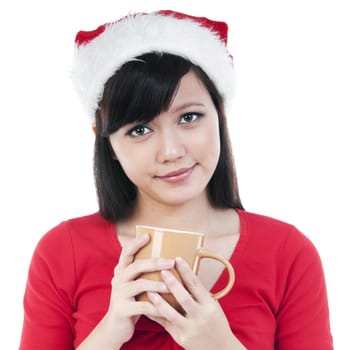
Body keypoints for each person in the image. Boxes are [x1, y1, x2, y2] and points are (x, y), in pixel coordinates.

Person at [19, 9, 333, 350]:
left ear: (220, 115)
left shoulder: (287, 253)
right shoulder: (62, 252)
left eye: (189, 116)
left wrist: (221, 345)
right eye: (139, 129)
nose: (170, 151)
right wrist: (110, 331)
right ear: (106, 143)